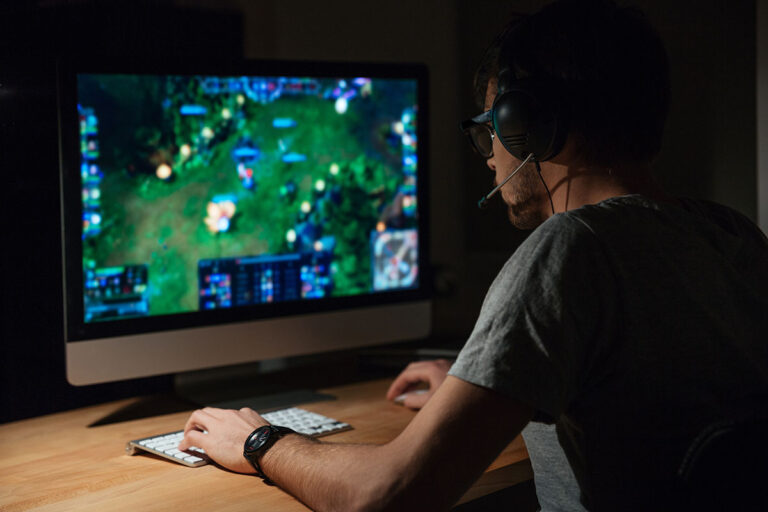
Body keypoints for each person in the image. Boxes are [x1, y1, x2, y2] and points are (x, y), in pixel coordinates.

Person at [179, 1, 768, 510]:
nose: (489, 158)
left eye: (491, 129)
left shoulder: (571, 249)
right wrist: (476, 392)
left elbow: (387, 494)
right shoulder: (732, 234)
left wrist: (259, 441)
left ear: (529, 126)